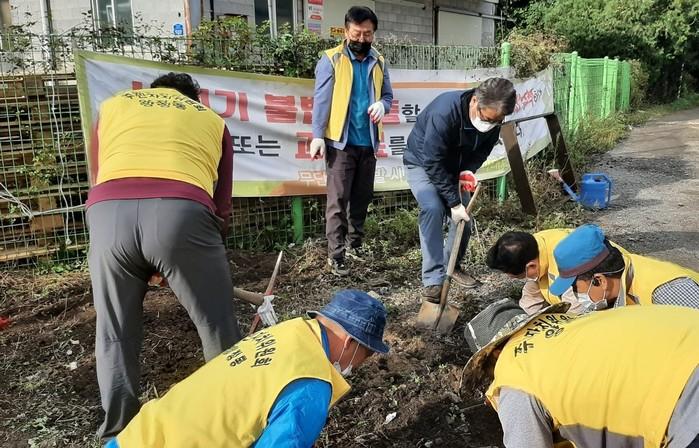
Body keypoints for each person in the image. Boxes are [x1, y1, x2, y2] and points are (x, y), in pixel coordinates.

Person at [86, 72, 242, 438]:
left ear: (152, 93)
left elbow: (99, 175)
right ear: (193, 99)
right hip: (181, 213)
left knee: (114, 330)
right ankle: (231, 421)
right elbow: (221, 206)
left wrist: (145, 259)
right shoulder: (211, 120)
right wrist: (189, 260)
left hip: (107, 214)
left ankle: (117, 433)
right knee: (216, 323)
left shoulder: (111, 108)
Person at [104, 289, 390, 448]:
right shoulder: (311, 385)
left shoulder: (289, 331)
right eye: (365, 355)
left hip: (139, 436)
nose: (358, 366)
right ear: (351, 343)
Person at [463, 299, 699, 447]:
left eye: (488, 370)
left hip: (685, 399)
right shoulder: (577, 324)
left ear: (495, 353)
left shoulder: (516, 377)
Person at [403, 78, 517, 303]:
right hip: (422, 163)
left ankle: (452, 266)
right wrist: (453, 203)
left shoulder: (494, 120)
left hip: (455, 168)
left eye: (498, 121)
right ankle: (433, 280)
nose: (491, 124)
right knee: (433, 208)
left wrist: (468, 170)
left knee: (464, 219)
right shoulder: (445, 113)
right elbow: (433, 161)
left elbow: (482, 150)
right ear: (474, 101)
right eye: (487, 119)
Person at [310, 6, 394, 277]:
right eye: (356, 33)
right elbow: (321, 100)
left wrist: (383, 105)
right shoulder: (331, 59)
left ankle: (355, 245)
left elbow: (388, 96)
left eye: (367, 34)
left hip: (368, 142)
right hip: (340, 143)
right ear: (346, 31)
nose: (361, 39)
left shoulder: (378, 61)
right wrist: (317, 135)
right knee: (338, 201)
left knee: (361, 197)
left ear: (373, 33)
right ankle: (336, 256)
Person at [549, 224, 699, 312]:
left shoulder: (668, 292)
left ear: (600, 281)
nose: (575, 295)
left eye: (575, 288)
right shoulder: (617, 285)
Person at [486, 229, 628, 314]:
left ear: (531, 266)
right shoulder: (531, 247)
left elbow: (578, 312)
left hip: (614, 286)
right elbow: (532, 293)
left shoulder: (566, 262)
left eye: (520, 276)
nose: (523, 279)